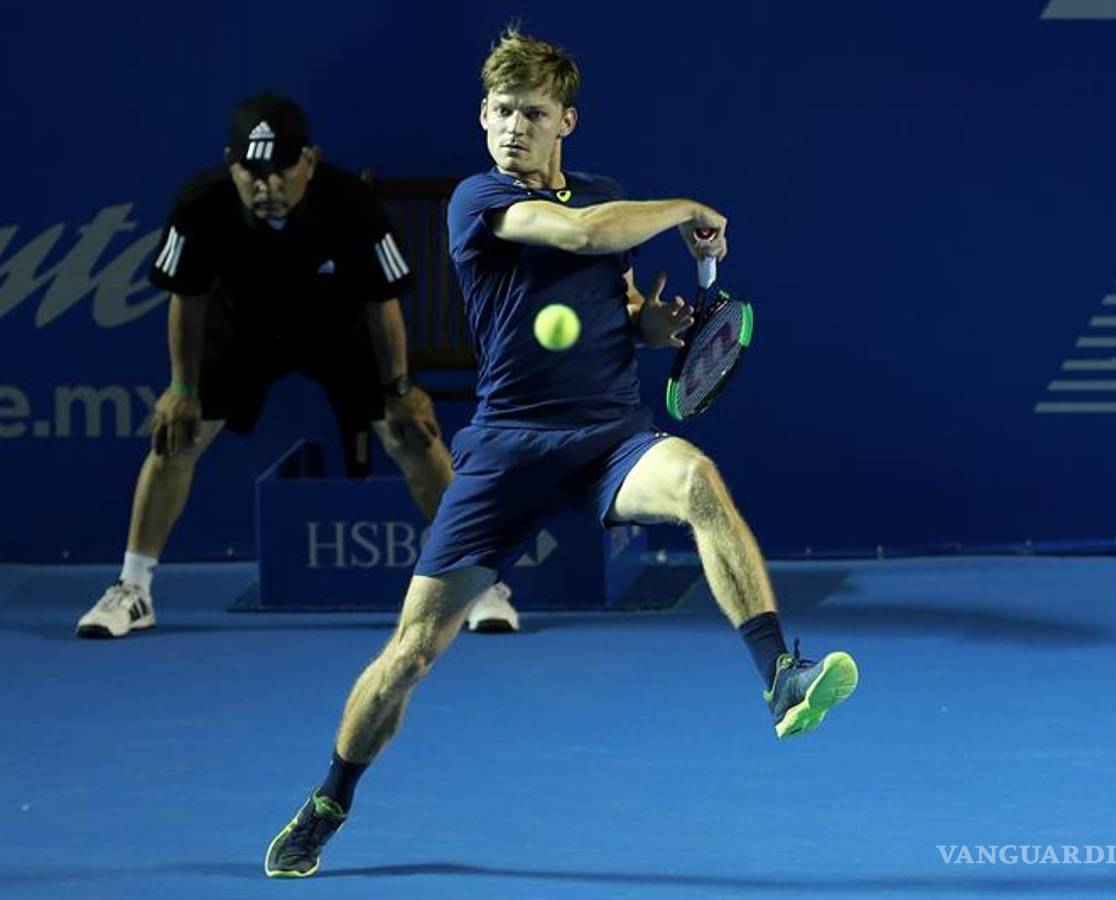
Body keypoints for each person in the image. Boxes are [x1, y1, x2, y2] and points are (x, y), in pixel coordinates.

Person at [263, 31, 858, 879]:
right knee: (410, 655)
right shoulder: (479, 199)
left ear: (565, 123)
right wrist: (686, 207)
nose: (514, 128)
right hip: (506, 459)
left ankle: (781, 677)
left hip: (608, 441)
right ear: (482, 115)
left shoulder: (605, 196)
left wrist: (655, 326)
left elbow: (619, 297)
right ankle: (329, 801)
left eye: (533, 114)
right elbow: (579, 236)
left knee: (698, 481)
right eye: (501, 112)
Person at [75, 93, 519, 639]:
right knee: (174, 438)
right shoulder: (199, 205)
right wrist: (182, 388)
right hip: (242, 334)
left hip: (339, 332)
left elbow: (382, 303)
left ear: (309, 161)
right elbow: (186, 300)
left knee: (415, 437)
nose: (267, 186)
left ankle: (475, 583)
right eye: (252, 172)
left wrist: (400, 387)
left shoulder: (351, 204)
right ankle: (133, 589)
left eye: (281, 170)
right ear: (230, 164)